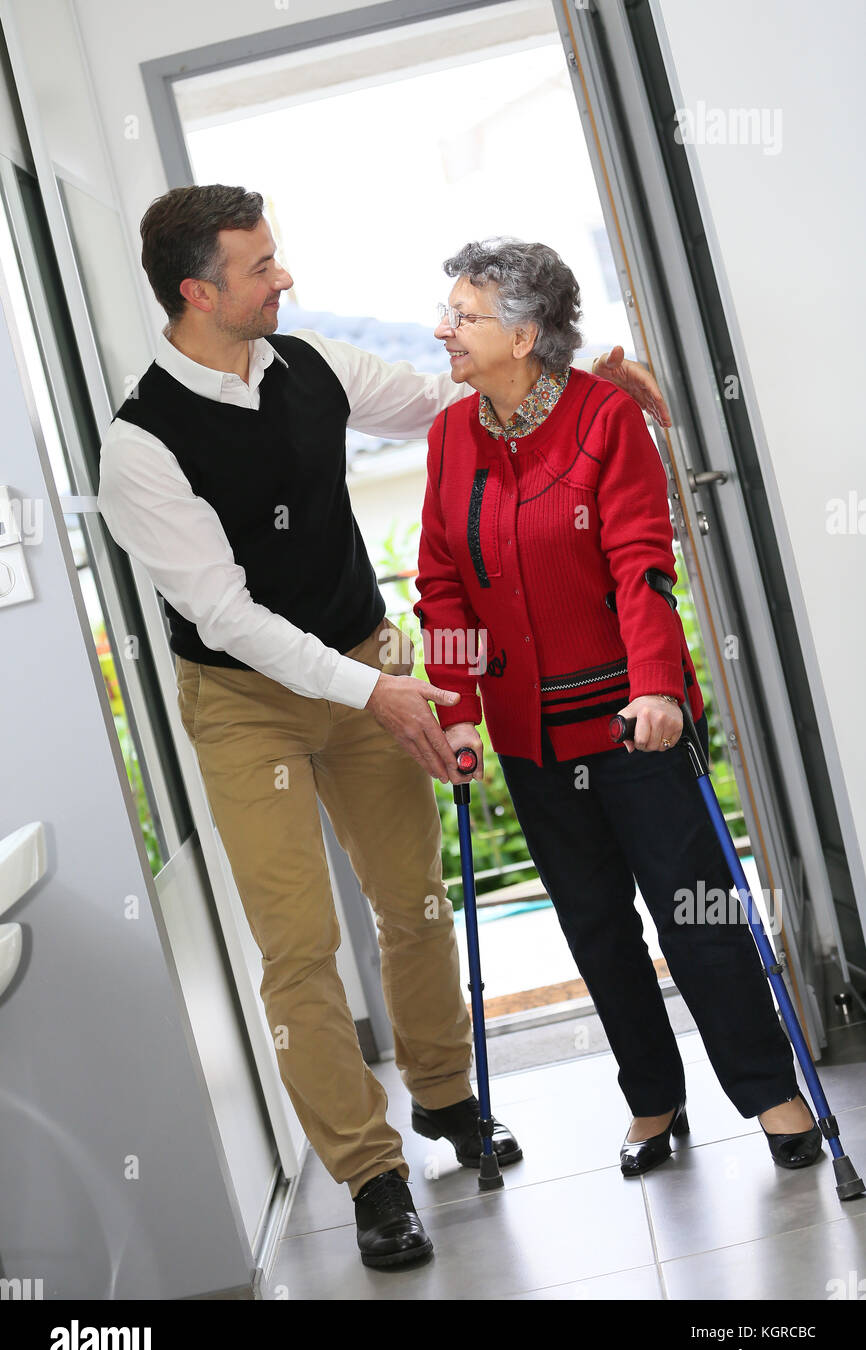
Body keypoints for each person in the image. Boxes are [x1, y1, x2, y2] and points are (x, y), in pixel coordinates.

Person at [96, 186, 670, 1269]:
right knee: (300, 949)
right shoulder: (140, 449)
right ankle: (370, 1172)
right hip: (245, 702)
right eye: (261, 266)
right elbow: (224, 614)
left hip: (365, 662)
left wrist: (573, 382)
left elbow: (446, 399)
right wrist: (378, 690)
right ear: (197, 291)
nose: (285, 278)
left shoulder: (308, 368)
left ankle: (447, 1101)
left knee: (412, 902)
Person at [413, 236, 822, 1179]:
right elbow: (441, 586)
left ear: (524, 334)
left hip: (633, 720)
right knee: (594, 923)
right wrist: (464, 709)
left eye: (463, 316)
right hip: (529, 735)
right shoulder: (449, 438)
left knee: (697, 910)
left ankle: (770, 1093)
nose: (446, 330)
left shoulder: (604, 420)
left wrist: (655, 686)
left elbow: (640, 561)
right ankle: (654, 1100)